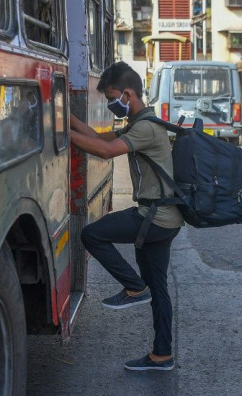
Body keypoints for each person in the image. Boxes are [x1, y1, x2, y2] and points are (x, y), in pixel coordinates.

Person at [71, 62, 184, 371]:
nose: (111, 104)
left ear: (128, 93)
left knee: (92, 234)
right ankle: (162, 355)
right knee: (159, 289)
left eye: (112, 97)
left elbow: (106, 152)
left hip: (154, 217)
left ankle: (134, 288)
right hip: (165, 218)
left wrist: (61, 133)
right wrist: (66, 121)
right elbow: (101, 138)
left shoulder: (146, 127)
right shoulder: (142, 122)